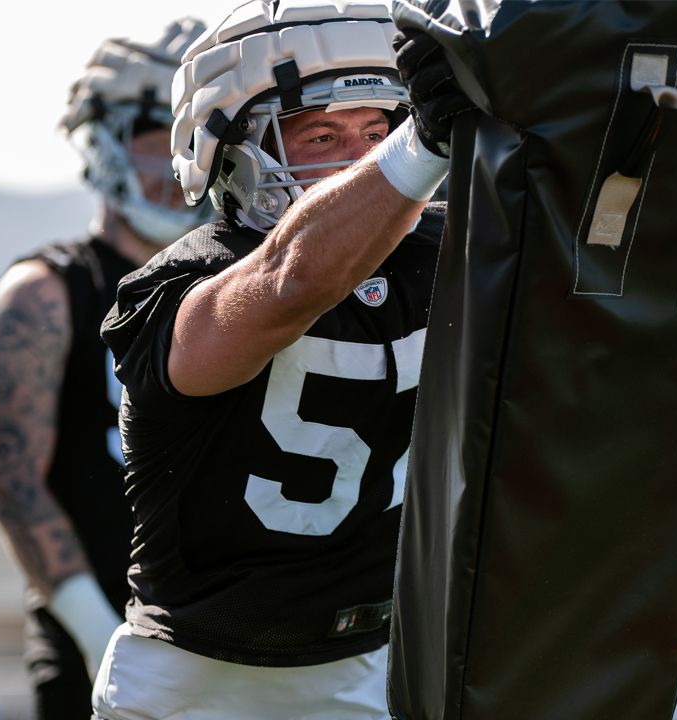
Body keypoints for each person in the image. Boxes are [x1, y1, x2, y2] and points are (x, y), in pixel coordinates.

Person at [92, 1, 470, 717]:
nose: (364, 158)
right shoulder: (177, 285)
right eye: (323, 133)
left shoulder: (449, 249)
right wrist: (419, 146)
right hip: (196, 683)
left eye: (378, 130)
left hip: (374, 671)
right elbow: (291, 281)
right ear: (230, 148)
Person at [0, 18, 212, 719]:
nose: (176, 161)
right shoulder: (45, 293)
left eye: (190, 137)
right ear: (104, 143)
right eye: (155, 136)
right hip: (95, 640)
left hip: (221, 640)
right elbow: (16, 491)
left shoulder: (234, 285)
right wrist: (102, 635)